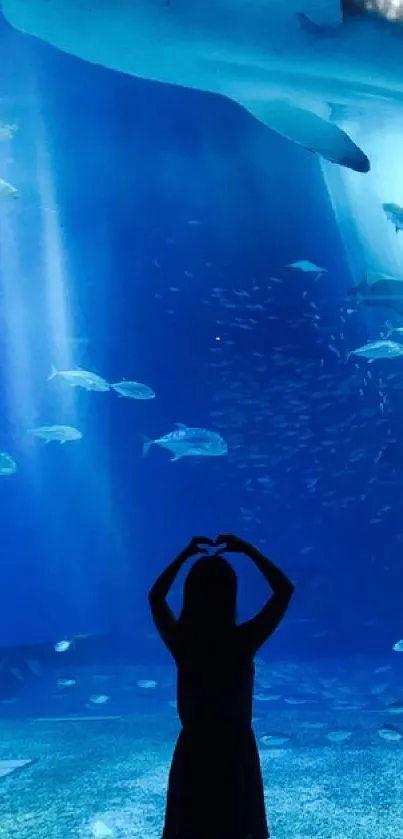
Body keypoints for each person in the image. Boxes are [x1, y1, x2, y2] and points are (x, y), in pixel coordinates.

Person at [148, 534, 295, 839]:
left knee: (190, 827)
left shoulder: (184, 642)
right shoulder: (242, 641)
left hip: (194, 750)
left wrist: (185, 554)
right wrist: (248, 550)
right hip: (234, 749)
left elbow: (156, 598)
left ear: (190, 595)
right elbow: (284, 591)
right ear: (231, 595)